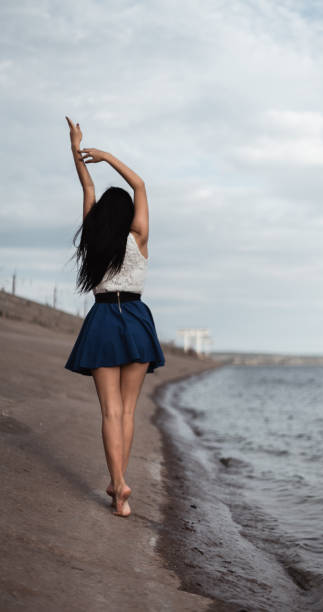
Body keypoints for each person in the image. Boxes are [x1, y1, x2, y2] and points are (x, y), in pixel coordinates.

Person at [64, 116, 165, 518]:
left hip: (104, 319)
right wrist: (107, 156)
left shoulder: (93, 237)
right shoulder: (137, 235)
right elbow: (139, 185)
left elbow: (87, 186)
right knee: (127, 410)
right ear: (127, 216)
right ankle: (119, 483)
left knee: (109, 412)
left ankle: (118, 484)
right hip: (137, 319)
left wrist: (78, 148)